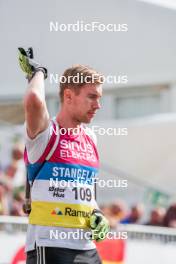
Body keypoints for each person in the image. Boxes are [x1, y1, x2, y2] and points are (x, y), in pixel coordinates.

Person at [18, 47, 109, 264]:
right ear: (68, 96)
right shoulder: (46, 133)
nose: (98, 105)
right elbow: (33, 99)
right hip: (50, 246)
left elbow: (85, 192)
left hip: (86, 247)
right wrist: (38, 72)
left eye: (99, 97)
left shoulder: (90, 138)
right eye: (92, 97)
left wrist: (98, 213)